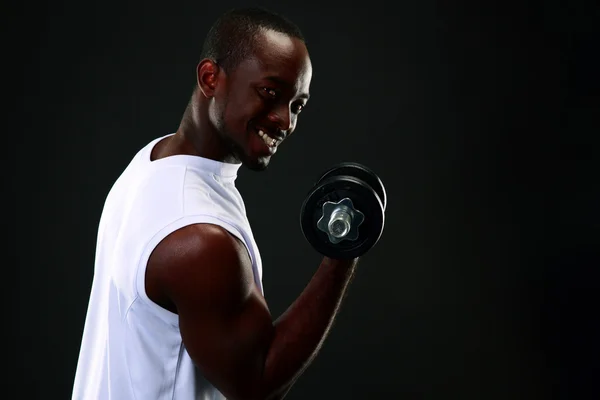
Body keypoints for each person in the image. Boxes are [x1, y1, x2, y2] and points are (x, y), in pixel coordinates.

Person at [72, 7, 363, 400]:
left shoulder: (151, 163)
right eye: (270, 93)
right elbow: (257, 384)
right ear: (211, 78)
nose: (284, 120)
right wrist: (341, 254)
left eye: (297, 105)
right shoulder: (201, 239)